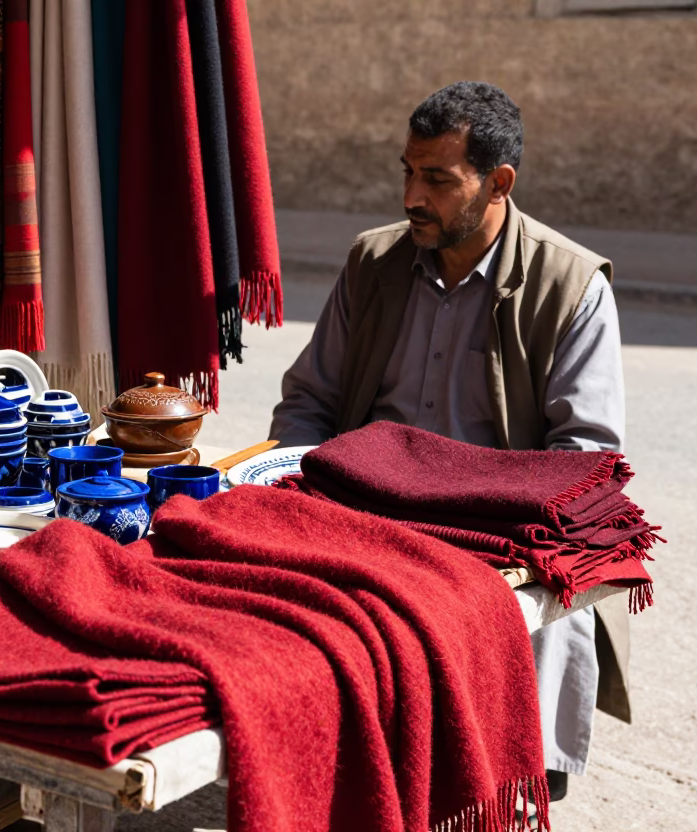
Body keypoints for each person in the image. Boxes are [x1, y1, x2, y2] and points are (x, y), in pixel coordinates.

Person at [269, 81, 632, 801]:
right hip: (363, 519)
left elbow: (584, 462)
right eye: (407, 171)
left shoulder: (572, 285)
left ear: (498, 184)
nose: (411, 195)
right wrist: (291, 493)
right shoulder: (374, 263)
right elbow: (308, 402)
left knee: (494, 771)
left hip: (497, 535)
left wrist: (471, 536)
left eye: (436, 178)